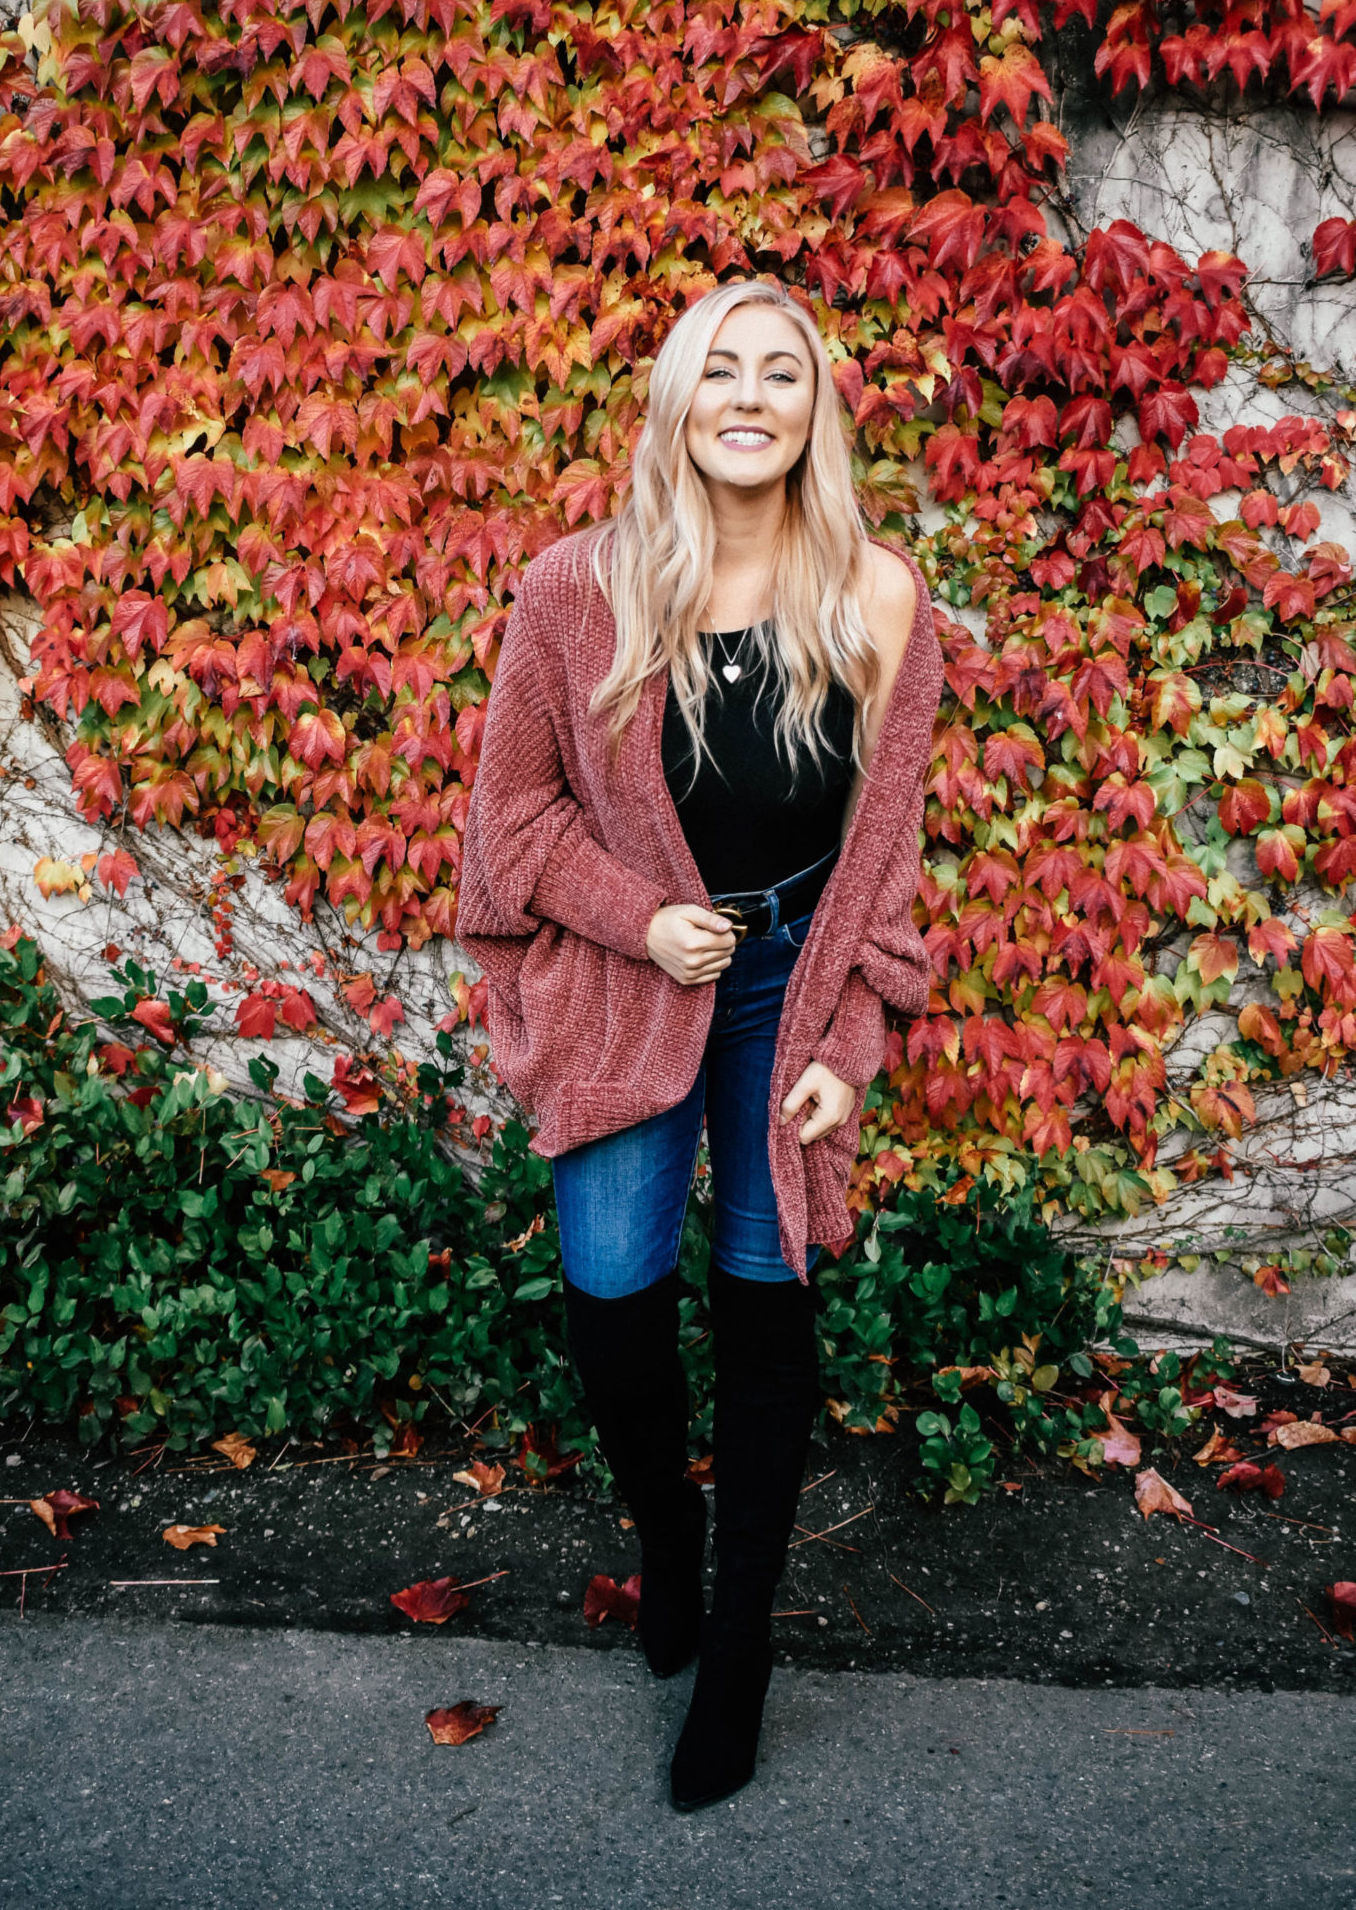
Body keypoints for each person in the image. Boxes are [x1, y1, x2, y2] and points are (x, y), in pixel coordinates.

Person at [457, 277, 944, 1810]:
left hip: (791, 980)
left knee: (763, 1297)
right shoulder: (578, 591)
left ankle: (735, 1657)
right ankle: (667, 1528)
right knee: (611, 1294)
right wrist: (635, 915)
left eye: (780, 374)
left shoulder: (879, 599)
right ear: (678, 403)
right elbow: (506, 823)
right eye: (718, 371)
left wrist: (851, 1033)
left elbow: (889, 859)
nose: (748, 396)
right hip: (633, 979)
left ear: (815, 412)